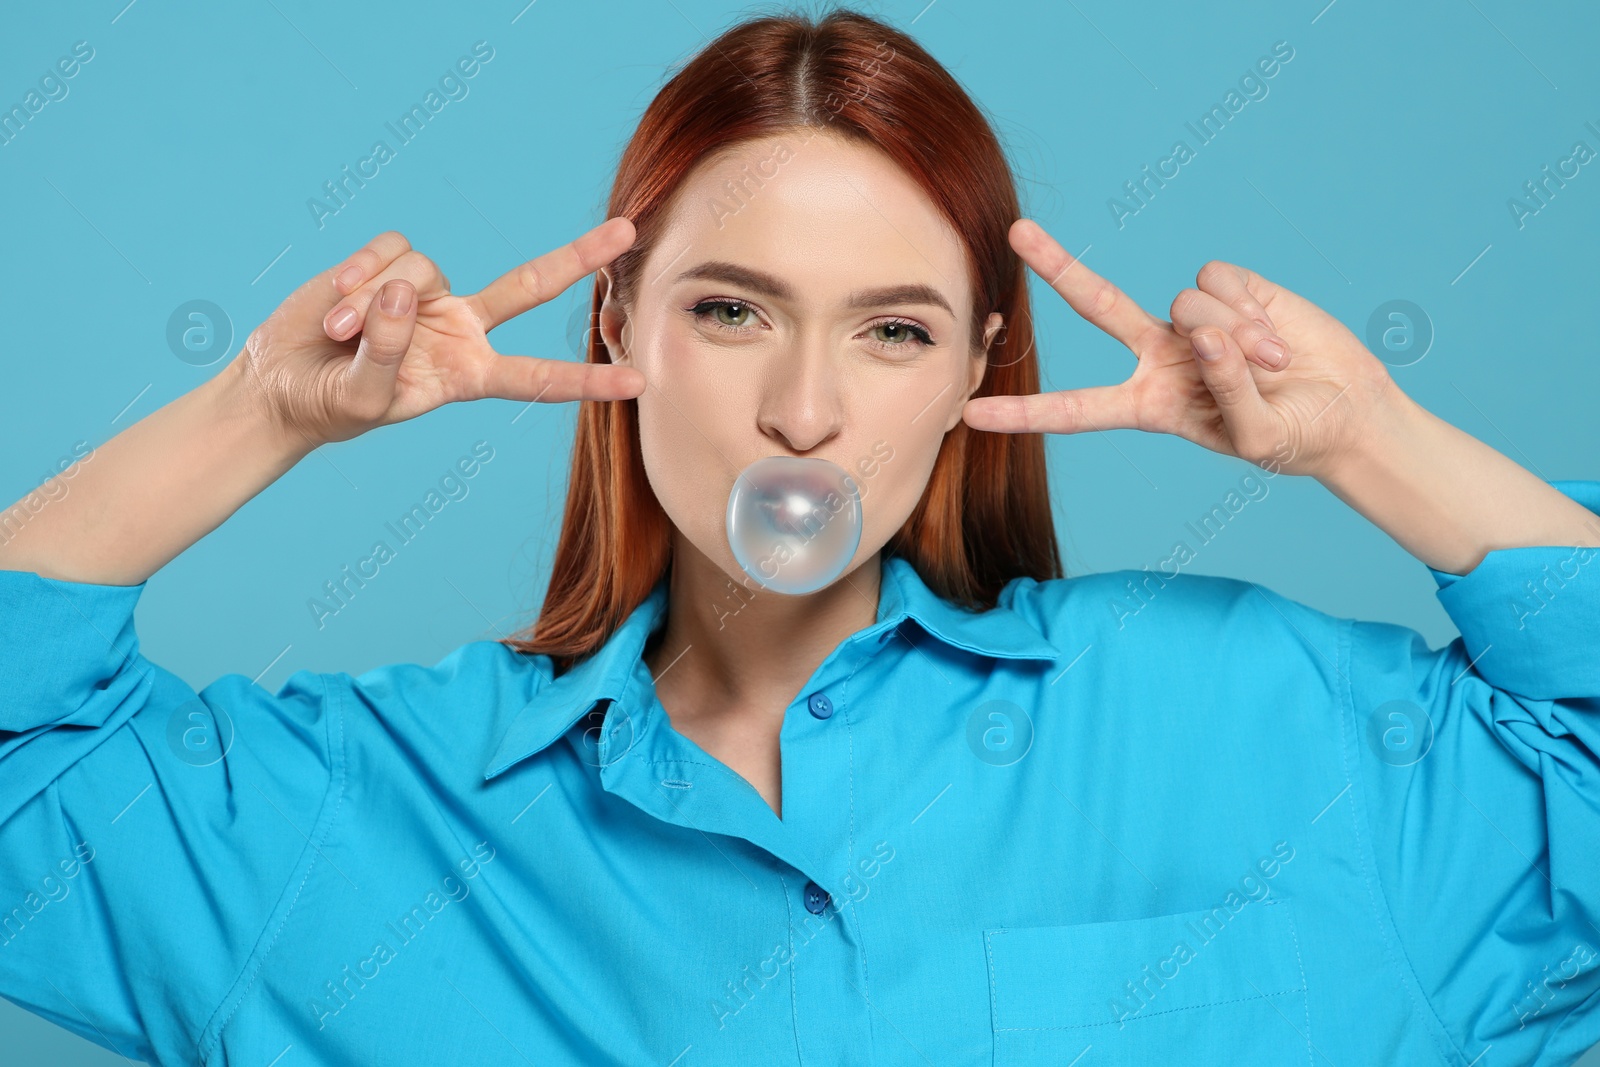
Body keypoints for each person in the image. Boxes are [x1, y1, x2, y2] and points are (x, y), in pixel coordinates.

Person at [3, 7, 1597, 1066]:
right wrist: (261, 413)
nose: (807, 411)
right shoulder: (367, 820)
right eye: (733, 311)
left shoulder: (1256, 714)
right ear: (621, 323)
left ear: (981, 363)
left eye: (896, 332)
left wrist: (1374, 441)